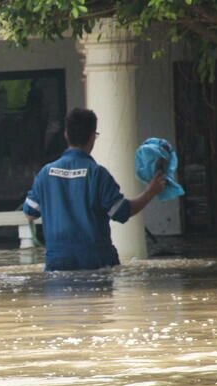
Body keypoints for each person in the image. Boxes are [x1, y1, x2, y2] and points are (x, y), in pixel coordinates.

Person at [23, 107, 166, 271]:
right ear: (92, 137)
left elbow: (29, 214)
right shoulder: (98, 174)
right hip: (96, 262)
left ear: (66, 135)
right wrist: (151, 191)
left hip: (58, 263)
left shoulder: (45, 173)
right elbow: (122, 212)